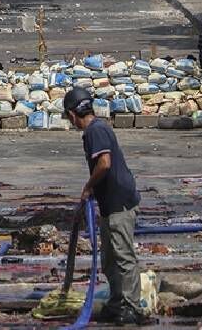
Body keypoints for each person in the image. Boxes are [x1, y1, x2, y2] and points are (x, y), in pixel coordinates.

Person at [63, 88, 144, 325]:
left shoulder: (95, 131)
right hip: (110, 203)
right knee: (109, 257)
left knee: (123, 256)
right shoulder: (98, 127)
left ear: (71, 114)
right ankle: (117, 301)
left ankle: (131, 306)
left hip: (119, 202)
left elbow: (105, 163)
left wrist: (88, 187)